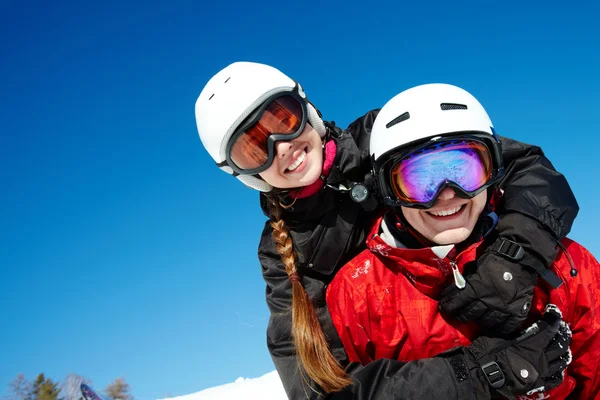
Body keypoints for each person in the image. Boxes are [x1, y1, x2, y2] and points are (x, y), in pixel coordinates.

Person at [194, 62, 579, 399]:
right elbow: (318, 387)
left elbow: (522, 168)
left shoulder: (383, 135)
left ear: (306, 107)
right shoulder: (284, 256)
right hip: (416, 353)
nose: (281, 147)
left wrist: (513, 259)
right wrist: (477, 375)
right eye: (253, 148)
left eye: (282, 120)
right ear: (242, 174)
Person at [326, 83, 599, 399]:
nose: (445, 194)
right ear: (389, 192)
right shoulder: (355, 295)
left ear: (494, 169)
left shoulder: (566, 266)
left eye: (463, 169)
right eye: (419, 179)